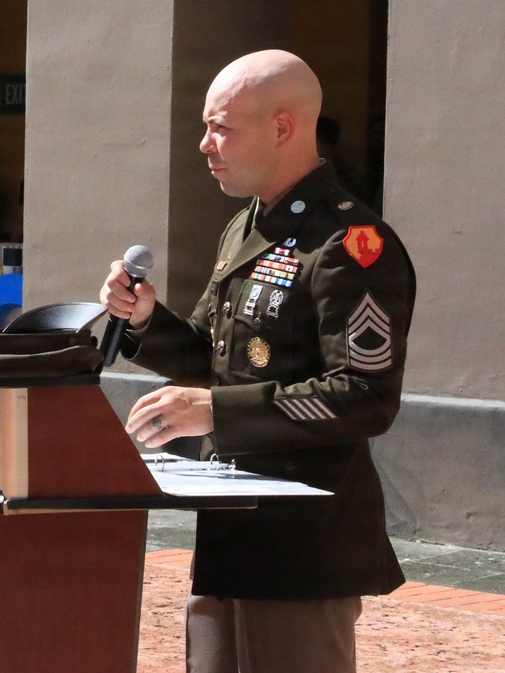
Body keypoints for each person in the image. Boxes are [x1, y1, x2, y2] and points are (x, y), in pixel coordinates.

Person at [100, 50, 415, 673]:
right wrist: (143, 322)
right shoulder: (246, 226)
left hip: (305, 542)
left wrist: (213, 411)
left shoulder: (352, 246)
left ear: (282, 128)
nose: (204, 144)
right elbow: (214, 356)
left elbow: (364, 395)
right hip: (233, 526)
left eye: (221, 127)